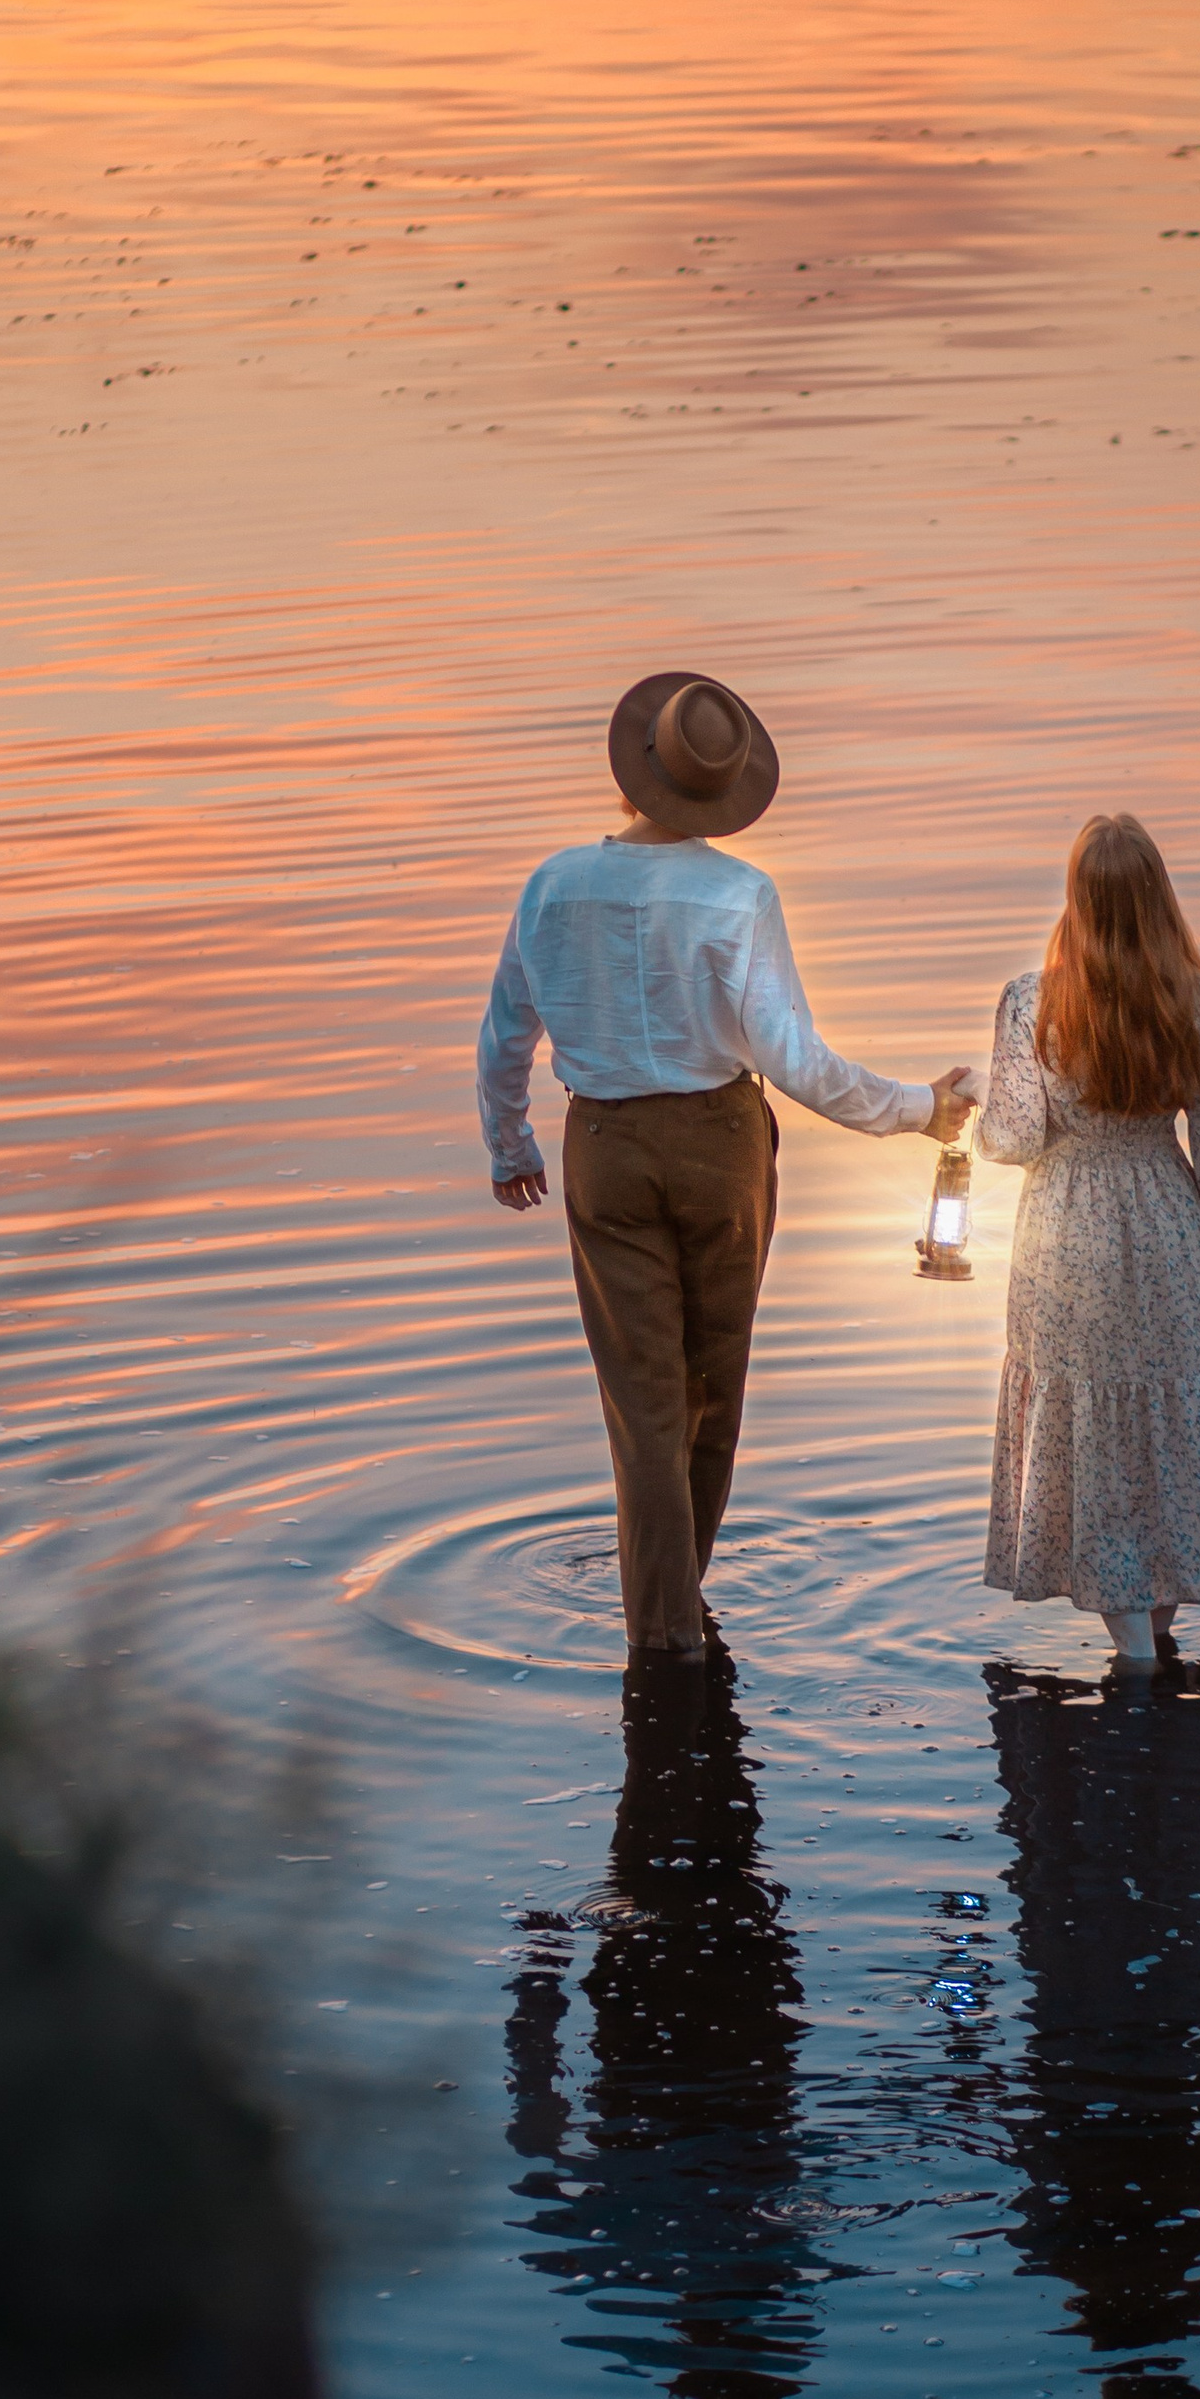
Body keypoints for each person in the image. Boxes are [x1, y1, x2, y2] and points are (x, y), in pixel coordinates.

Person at [477, 669, 975, 1658]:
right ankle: (673, 1618)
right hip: (720, 1144)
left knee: (643, 1400)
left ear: (631, 777)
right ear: (720, 789)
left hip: (605, 1147)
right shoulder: (739, 893)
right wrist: (921, 1110)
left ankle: (667, 1625)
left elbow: (502, 1037)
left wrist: (509, 1143)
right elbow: (793, 1061)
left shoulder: (553, 884)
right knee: (712, 1387)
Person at [978, 813, 1200, 1668]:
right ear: (1158, 898)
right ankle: (1154, 1634)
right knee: (1166, 1416)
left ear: (1075, 896)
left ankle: (1135, 1653)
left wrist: (963, 1104)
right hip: (1163, 1221)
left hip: (1064, 1230)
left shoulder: (1033, 1002)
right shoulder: (1191, 999)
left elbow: (1015, 1137)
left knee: (1090, 1421)